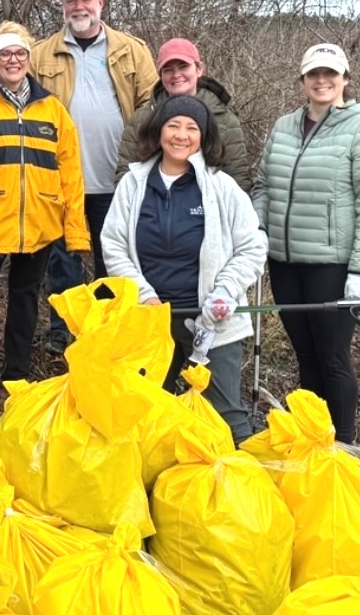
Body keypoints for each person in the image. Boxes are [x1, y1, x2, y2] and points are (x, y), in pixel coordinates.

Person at [101, 96, 267, 441]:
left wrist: (225, 291)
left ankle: (235, 471)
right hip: (151, 319)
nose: (181, 135)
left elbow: (253, 247)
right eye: (173, 125)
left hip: (211, 320)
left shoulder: (221, 186)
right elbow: (113, 246)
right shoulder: (133, 184)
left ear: (203, 137)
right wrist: (144, 295)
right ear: (158, 131)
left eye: (192, 128)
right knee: (140, 416)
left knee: (226, 419)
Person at [251, 43, 360, 445]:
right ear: (303, 80)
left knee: (332, 359)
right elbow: (264, 185)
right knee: (306, 356)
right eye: (314, 73)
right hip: (284, 262)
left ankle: (344, 448)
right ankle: (312, 441)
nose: (322, 80)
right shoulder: (284, 126)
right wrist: (259, 227)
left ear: (345, 78)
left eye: (330, 73)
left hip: (332, 266)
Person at [0, 21, 88, 408]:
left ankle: (16, 374)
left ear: (29, 58)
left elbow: (71, 173)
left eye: (20, 53)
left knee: (25, 300)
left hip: (39, 224)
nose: (13, 60)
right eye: (5, 54)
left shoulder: (52, 109)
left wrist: (75, 231)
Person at [29, 0, 157, 352]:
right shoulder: (40, 54)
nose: (79, 6)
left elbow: (152, 108)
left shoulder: (132, 50)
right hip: (60, 181)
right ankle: (62, 330)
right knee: (62, 262)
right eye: (71, 0)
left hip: (115, 178)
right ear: (62, 5)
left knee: (112, 258)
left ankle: (105, 332)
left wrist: (140, 164)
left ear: (101, 2)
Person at [115, 37, 251, 190]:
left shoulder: (224, 118)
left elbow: (238, 178)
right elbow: (125, 173)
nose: (176, 74)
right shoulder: (142, 119)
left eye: (183, 67)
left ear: (199, 69)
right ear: (160, 75)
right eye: (168, 69)